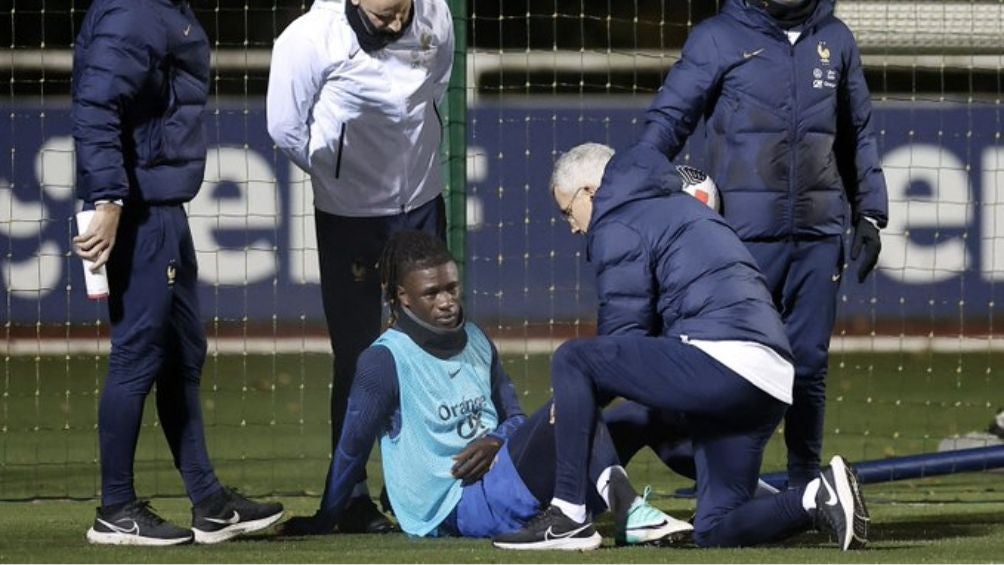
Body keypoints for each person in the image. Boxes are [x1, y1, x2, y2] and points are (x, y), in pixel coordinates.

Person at [493, 143, 869, 550]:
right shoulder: (679, 207)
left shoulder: (617, 217)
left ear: (590, 192)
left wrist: (578, 397)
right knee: (714, 528)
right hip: (769, 377)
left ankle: (568, 516)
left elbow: (624, 333)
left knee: (573, 358)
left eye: (568, 211)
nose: (572, 227)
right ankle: (816, 497)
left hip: (724, 359)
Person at [279, 230, 693, 548]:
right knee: (574, 403)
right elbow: (351, 449)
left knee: (639, 413)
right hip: (453, 505)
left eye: (451, 288)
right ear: (403, 297)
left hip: (508, 479)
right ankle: (626, 511)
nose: (447, 302)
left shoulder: (476, 338)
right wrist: (325, 518)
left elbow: (514, 417)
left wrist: (498, 440)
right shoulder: (383, 361)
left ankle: (716, 500)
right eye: (431, 293)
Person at [638, 0, 889, 487]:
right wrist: (633, 185)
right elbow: (668, 120)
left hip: (818, 236)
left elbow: (856, 131)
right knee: (728, 361)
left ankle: (804, 489)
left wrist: (870, 212)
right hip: (739, 238)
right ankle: (721, 483)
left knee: (808, 366)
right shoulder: (717, 36)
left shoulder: (835, 38)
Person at [71, 0, 284, 546]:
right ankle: (115, 509)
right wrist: (109, 199)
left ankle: (209, 503)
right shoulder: (136, 12)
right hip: (139, 208)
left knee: (184, 351)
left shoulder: (160, 9)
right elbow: (96, 105)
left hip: (162, 204)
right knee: (137, 355)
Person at [266, 0, 454, 532]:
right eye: (382, 18)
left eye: (401, 14)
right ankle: (350, 498)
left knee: (434, 348)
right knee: (357, 357)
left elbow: (437, 86)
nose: (395, 25)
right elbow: (284, 127)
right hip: (348, 216)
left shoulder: (436, 13)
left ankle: (424, 484)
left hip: (422, 203)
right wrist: (337, 174)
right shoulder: (307, 38)